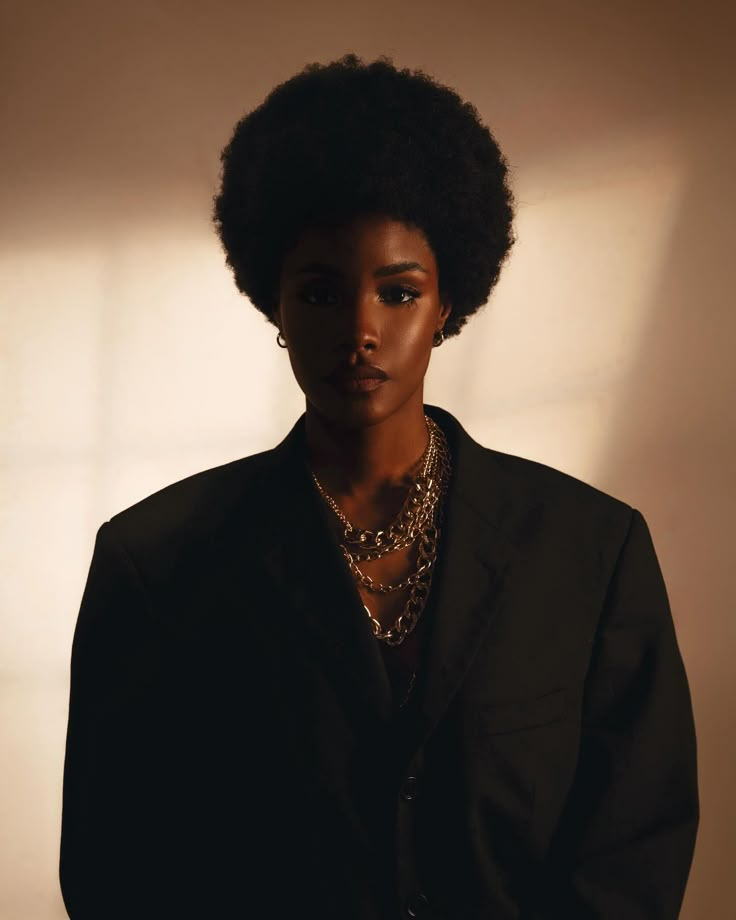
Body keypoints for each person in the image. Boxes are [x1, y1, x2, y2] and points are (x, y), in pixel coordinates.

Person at [59, 54, 698, 919]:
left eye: (398, 293)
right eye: (320, 292)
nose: (359, 330)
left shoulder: (591, 551)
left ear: (447, 304)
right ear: (274, 307)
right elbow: (117, 868)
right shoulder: (156, 563)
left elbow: (634, 847)